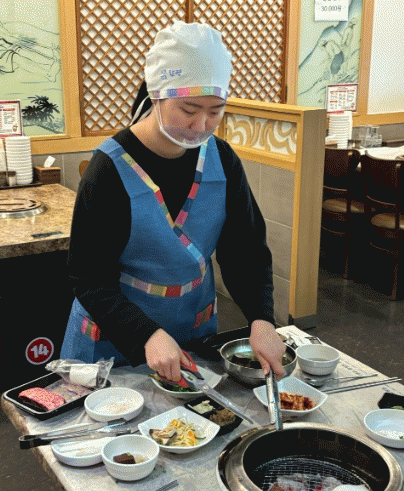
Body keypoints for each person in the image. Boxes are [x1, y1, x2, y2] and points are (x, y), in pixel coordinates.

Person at [60, 21, 286, 382]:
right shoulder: (109, 169)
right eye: (189, 109)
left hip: (191, 332)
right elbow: (89, 277)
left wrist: (261, 319)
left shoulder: (222, 160)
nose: (201, 125)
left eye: (216, 111)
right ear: (157, 95)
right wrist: (146, 334)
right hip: (112, 342)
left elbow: (245, 250)